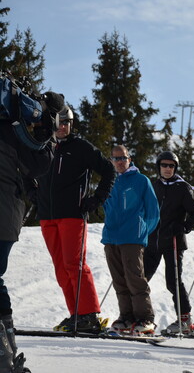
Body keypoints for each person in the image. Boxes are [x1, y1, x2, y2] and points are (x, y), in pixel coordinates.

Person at [0, 90, 64, 372]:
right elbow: (39, 165)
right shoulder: (19, 130)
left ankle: (5, 356)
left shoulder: (14, 129)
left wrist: (42, 127)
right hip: (8, 214)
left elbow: (37, 167)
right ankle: (7, 353)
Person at [36, 106, 115, 333]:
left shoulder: (80, 147)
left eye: (66, 122)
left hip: (72, 215)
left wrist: (97, 199)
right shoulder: (43, 146)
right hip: (47, 216)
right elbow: (26, 170)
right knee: (61, 268)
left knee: (74, 264)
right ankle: (76, 315)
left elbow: (108, 170)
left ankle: (89, 315)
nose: (62, 127)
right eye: (59, 122)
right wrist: (33, 193)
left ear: (71, 124)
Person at [101, 145, 160, 335]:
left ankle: (145, 318)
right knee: (119, 280)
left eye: (122, 158)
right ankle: (126, 317)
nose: (119, 162)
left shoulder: (141, 180)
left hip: (131, 238)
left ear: (129, 159)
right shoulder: (110, 181)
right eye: (115, 159)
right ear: (111, 161)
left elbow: (153, 212)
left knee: (135, 278)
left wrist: (141, 231)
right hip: (111, 237)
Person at [144, 151, 194, 335]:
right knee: (141, 278)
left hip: (173, 241)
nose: (168, 169)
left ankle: (184, 320)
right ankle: (140, 316)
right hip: (153, 240)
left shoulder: (182, 188)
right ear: (159, 167)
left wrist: (184, 227)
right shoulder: (153, 186)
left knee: (173, 281)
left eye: (171, 166)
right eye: (164, 165)